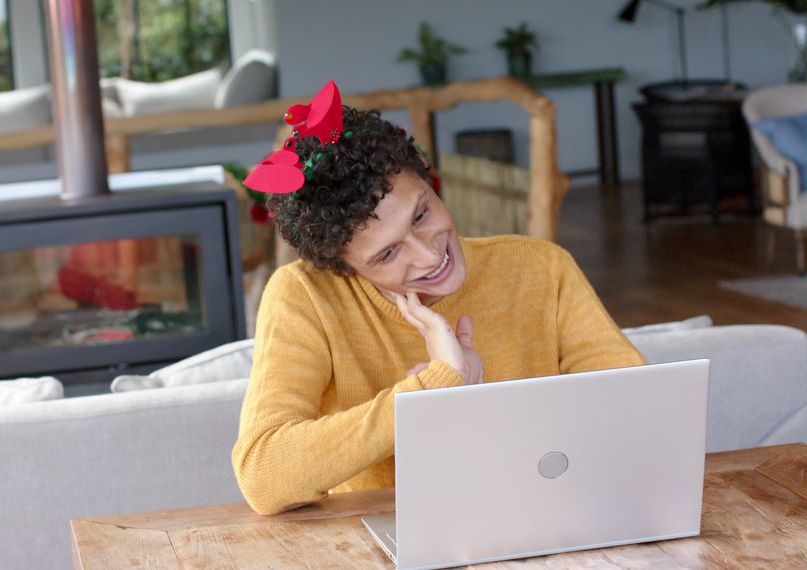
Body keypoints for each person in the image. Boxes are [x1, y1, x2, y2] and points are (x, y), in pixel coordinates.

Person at [231, 81, 645, 516]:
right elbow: (263, 476)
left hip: (549, 515)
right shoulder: (304, 297)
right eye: (388, 253)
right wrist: (431, 389)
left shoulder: (540, 268)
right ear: (345, 268)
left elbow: (640, 412)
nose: (429, 255)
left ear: (431, 183)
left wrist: (475, 408)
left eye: (422, 214)